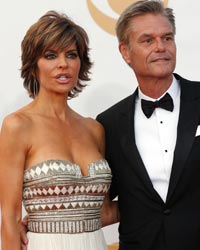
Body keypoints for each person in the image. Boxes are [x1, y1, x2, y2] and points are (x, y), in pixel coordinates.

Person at [0, 10, 118, 250]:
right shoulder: (18, 125)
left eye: (71, 55)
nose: (63, 64)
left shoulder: (94, 129)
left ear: (80, 64)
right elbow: (10, 221)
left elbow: (103, 212)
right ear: (34, 66)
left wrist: (167, 202)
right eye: (51, 55)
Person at [97, 0, 200, 250]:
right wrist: (43, 219)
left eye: (167, 38)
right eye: (147, 40)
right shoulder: (108, 123)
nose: (161, 47)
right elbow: (103, 205)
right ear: (125, 52)